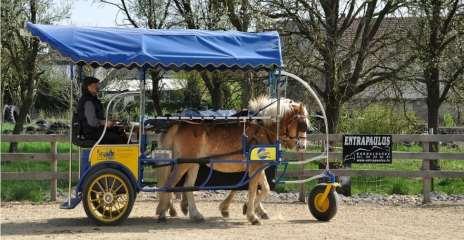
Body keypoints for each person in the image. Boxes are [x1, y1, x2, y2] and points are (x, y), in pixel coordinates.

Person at [77, 77, 127, 144]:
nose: (98, 87)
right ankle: (121, 153)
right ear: (89, 87)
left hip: (95, 129)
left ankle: (134, 152)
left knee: (119, 131)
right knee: (116, 138)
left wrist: (108, 120)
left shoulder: (93, 100)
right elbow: (92, 121)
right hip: (90, 132)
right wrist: (105, 123)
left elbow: (97, 117)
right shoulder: (88, 101)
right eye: (96, 85)